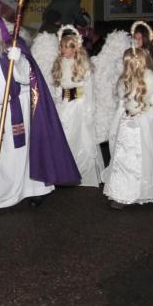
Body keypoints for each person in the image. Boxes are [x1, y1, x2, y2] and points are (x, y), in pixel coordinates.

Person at [0, 0, 81, 212]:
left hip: (12, 109)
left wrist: (19, 61)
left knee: (17, 157)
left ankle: (34, 190)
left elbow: (27, 77)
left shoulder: (12, 46)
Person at [101, 47, 153, 208]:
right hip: (125, 124)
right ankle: (121, 193)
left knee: (141, 158)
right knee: (122, 158)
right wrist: (118, 119)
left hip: (142, 126)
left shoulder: (151, 81)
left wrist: (143, 117)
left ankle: (141, 191)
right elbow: (121, 103)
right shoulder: (125, 81)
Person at [49, 27, 103, 187]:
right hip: (64, 106)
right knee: (63, 137)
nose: (64, 50)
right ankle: (63, 173)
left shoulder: (83, 66)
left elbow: (89, 91)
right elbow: (58, 88)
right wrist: (58, 101)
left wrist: (88, 111)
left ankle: (82, 173)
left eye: (68, 47)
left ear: (75, 48)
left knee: (79, 138)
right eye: (62, 47)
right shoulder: (59, 63)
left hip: (79, 107)